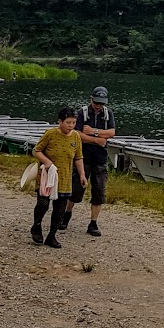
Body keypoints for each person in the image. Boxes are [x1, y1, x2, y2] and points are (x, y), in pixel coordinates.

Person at [30, 107, 85, 249]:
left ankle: (52, 235)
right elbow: (36, 150)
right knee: (43, 204)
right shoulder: (50, 134)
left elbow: (78, 157)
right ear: (60, 121)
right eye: (68, 122)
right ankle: (36, 226)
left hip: (65, 178)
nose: (71, 126)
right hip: (47, 176)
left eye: (73, 123)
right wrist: (47, 162)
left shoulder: (76, 137)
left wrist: (82, 175)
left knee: (60, 208)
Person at [72, 86, 116, 236]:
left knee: (99, 191)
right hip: (83, 157)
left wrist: (92, 132)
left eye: (101, 103)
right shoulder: (81, 113)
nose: (98, 106)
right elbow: (77, 134)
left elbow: (111, 133)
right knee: (76, 188)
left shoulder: (108, 113)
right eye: (96, 102)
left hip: (100, 159)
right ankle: (66, 214)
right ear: (91, 99)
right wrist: (97, 140)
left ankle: (93, 223)